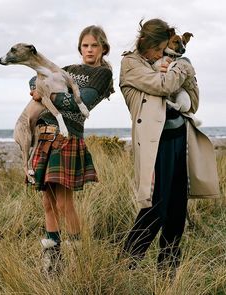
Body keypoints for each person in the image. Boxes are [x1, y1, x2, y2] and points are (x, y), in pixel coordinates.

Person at [119, 18, 219, 275]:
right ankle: (125, 265)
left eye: (164, 48)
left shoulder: (168, 61)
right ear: (145, 43)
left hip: (180, 140)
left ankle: (167, 272)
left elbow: (192, 103)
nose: (161, 53)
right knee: (155, 208)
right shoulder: (130, 64)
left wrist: (180, 69)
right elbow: (165, 85)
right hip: (156, 145)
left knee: (176, 209)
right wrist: (184, 66)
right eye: (158, 48)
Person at [30, 25, 114, 274]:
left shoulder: (102, 74)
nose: (89, 50)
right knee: (48, 203)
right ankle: (52, 261)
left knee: (65, 204)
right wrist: (37, 88)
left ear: (103, 48)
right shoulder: (68, 70)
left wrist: (46, 94)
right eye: (85, 45)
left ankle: (77, 260)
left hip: (68, 138)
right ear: (80, 48)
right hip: (45, 135)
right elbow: (36, 77)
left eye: (94, 45)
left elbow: (79, 103)